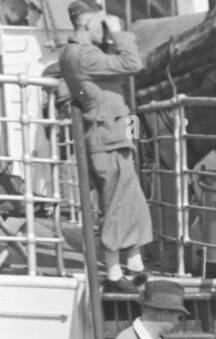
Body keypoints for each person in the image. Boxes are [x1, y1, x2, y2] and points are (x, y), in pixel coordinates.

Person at [59, 2, 152, 292]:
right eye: (100, 24)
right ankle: (113, 273)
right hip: (108, 139)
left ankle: (134, 264)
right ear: (88, 23)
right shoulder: (85, 55)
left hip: (113, 135)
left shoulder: (76, 53)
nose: (104, 30)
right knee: (116, 205)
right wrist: (118, 32)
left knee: (130, 200)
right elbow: (133, 64)